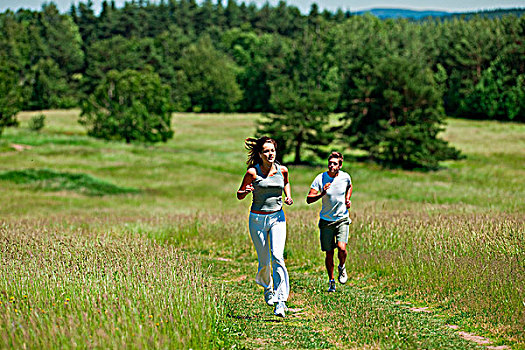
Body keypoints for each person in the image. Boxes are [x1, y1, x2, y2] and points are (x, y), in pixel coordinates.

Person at [236, 136, 293, 317]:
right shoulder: (253, 172)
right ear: (260, 154)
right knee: (264, 260)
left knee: (277, 256)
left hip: (278, 218)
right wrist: (244, 191)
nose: (270, 154)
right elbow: (239, 194)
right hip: (257, 220)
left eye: (273, 151)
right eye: (267, 151)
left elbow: (286, 182)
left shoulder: (282, 170)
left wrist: (288, 196)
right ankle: (268, 288)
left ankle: (280, 300)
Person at [306, 151, 352, 293]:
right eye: (330, 163)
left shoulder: (345, 177)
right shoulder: (321, 178)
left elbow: (349, 186)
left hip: (342, 219)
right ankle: (331, 280)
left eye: (335, 164)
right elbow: (309, 199)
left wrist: (347, 199)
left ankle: (342, 267)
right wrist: (322, 194)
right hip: (326, 221)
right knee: (329, 253)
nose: (332, 166)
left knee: (342, 248)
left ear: (340, 165)